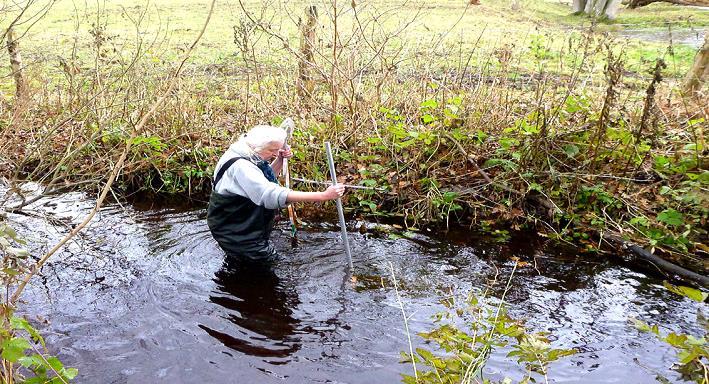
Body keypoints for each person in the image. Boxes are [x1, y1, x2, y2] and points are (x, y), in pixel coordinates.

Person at [207, 123, 345, 262]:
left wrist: (280, 159)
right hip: (235, 232)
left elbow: (262, 181)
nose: (275, 153)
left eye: (277, 149)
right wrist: (323, 196)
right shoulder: (241, 166)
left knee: (241, 264)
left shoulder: (247, 152)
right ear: (257, 146)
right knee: (267, 265)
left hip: (243, 224)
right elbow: (269, 194)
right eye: (272, 150)